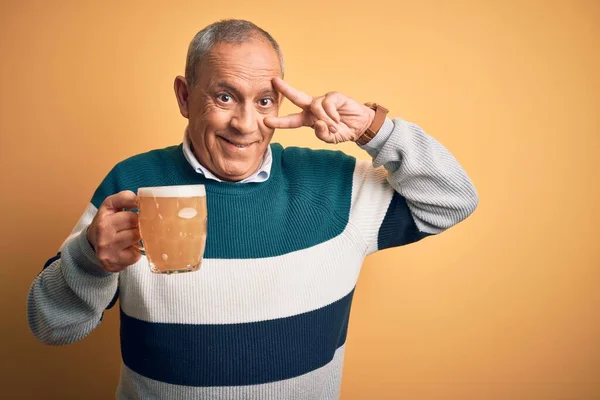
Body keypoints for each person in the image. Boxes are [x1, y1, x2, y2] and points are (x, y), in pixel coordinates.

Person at [27, 19, 479, 400]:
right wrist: (88, 259)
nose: (245, 125)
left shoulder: (338, 184)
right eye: (224, 97)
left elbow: (452, 199)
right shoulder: (130, 185)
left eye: (264, 101)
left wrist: (374, 129)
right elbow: (51, 326)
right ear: (185, 97)